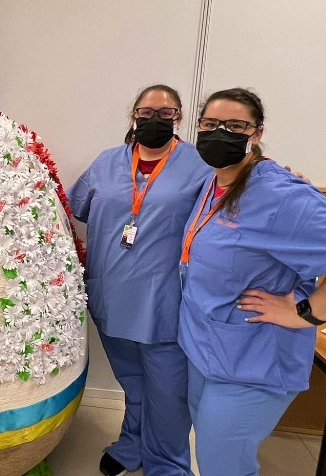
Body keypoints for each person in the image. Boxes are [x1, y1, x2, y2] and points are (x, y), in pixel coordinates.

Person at [178, 87, 326, 475]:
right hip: (207, 351)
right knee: (210, 456)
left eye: (235, 125)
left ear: (256, 133)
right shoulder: (215, 182)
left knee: (224, 466)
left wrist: (305, 313)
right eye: (209, 124)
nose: (219, 132)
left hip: (252, 362)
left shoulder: (278, 192)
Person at [69, 85, 208, 475]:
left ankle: (167, 463)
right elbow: (77, 207)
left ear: (179, 119)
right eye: (147, 112)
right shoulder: (107, 162)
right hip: (111, 293)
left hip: (165, 299)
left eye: (167, 114)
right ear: (134, 115)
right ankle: (133, 444)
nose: (156, 120)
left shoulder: (200, 166)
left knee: (167, 391)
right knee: (133, 382)